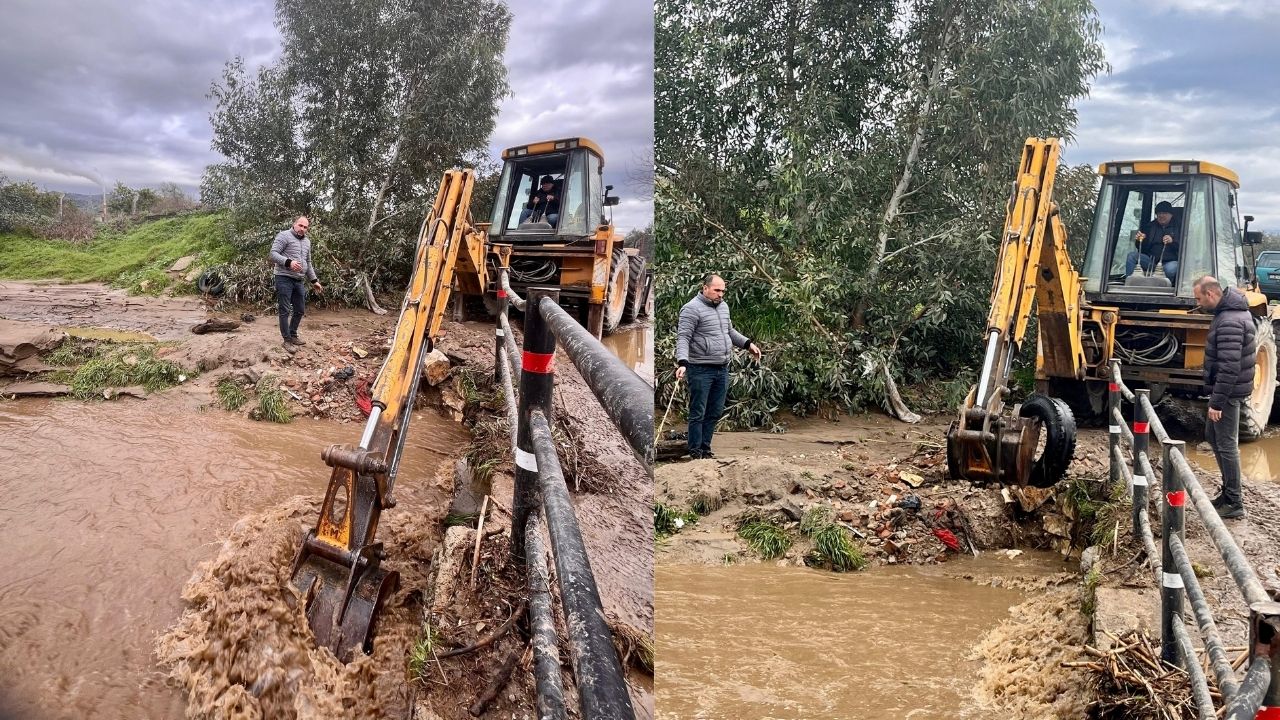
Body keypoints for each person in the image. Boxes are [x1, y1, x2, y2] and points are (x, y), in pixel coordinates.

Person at [675, 274, 762, 459]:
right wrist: (682, 362)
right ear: (705, 288)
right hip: (700, 369)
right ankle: (695, 452)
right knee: (698, 412)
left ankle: (706, 450)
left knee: (715, 411)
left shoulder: (723, 307)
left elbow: (729, 331)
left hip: (722, 368)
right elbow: (683, 337)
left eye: (723, 290)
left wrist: (748, 344)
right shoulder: (691, 309)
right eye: (717, 290)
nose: (720, 294)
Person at [1194, 275, 1255, 519]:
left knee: (1227, 443)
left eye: (1198, 298)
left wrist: (1217, 402)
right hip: (1227, 390)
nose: (1197, 303)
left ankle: (1234, 501)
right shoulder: (1228, 313)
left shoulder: (1229, 320)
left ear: (1211, 294)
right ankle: (1228, 493)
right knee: (1212, 435)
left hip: (1228, 393)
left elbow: (1229, 367)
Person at [269, 216, 323, 347]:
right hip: (283, 278)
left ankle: (293, 335)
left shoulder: (307, 242)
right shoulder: (284, 236)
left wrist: (314, 280)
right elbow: (273, 254)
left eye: (305, 227)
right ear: (294, 224)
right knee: (285, 310)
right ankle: (286, 340)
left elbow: (308, 263)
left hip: (299, 279)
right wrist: (289, 262)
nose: (302, 229)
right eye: (300, 225)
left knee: (299, 309)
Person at [1126, 200, 1181, 281]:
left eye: (1165, 213)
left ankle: (1162, 288)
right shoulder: (1150, 227)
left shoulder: (1180, 227)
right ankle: (1129, 283)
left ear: (1171, 215)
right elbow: (1142, 249)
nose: (1161, 216)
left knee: (1171, 268)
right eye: (1159, 213)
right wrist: (1140, 240)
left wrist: (1172, 241)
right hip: (1151, 262)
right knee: (1132, 256)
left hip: (1169, 262)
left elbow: (1185, 248)